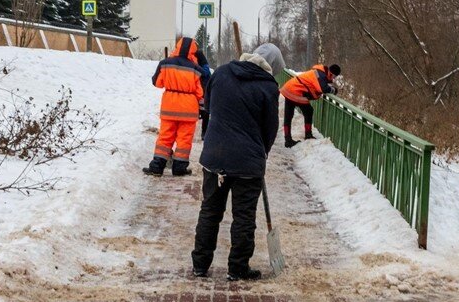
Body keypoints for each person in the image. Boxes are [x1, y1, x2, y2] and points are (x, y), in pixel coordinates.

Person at [191, 43, 285, 281]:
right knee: (243, 216)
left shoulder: (221, 72)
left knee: (210, 210)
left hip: (214, 156)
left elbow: (209, 107)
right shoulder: (268, 87)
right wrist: (261, 152)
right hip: (247, 162)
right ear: (272, 67)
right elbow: (270, 128)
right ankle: (237, 268)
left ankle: (200, 264)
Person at [142, 37, 204, 177]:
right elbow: (200, 92)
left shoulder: (165, 64)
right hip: (188, 110)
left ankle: (157, 167)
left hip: (169, 107)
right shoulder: (195, 69)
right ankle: (179, 168)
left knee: (165, 137)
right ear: (193, 50)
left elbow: (157, 83)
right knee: (184, 139)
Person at [279, 63, 341, 148]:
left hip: (289, 88)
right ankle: (308, 134)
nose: (333, 79)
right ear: (331, 73)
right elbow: (323, 88)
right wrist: (334, 90)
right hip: (296, 91)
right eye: (333, 77)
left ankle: (288, 140)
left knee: (288, 115)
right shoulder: (321, 75)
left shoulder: (319, 72)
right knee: (308, 111)